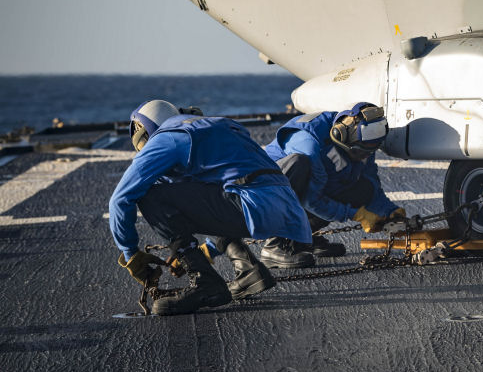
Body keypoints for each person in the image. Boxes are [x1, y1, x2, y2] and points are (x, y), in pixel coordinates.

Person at [109, 100, 312, 316]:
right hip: (290, 214)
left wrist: (131, 254)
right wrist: (205, 251)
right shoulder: (219, 125)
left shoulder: (166, 138)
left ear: (145, 135)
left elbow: (120, 199)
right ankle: (246, 267)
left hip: (251, 206)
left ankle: (205, 282)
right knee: (210, 184)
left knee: (150, 192)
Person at [259, 102, 405, 268]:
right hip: (262, 193)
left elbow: (371, 181)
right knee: (299, 164)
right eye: (361, 152)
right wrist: (356, 214)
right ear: (340, 135)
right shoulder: (310, 144)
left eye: (370, 152)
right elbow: (312, 200)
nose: (364, 156)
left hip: (307, 191)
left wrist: (389, 210)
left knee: (364, 189)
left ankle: (301, 239)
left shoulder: (363, 143)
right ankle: (274, 244)